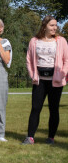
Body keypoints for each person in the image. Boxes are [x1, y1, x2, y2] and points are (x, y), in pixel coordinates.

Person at [22, 15, 68, 145]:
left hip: (56, 81)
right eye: (52, 25)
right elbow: (29, 60)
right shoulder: (34, 41)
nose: (55, 27)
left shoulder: (61, 41)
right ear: (44, 26)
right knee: (36, 108)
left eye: (55, 25)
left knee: (54, 109)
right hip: (39, 81)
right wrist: (33, 75)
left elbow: (66, 60)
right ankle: (30, 137)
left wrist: (62, 74)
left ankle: (51, 138)